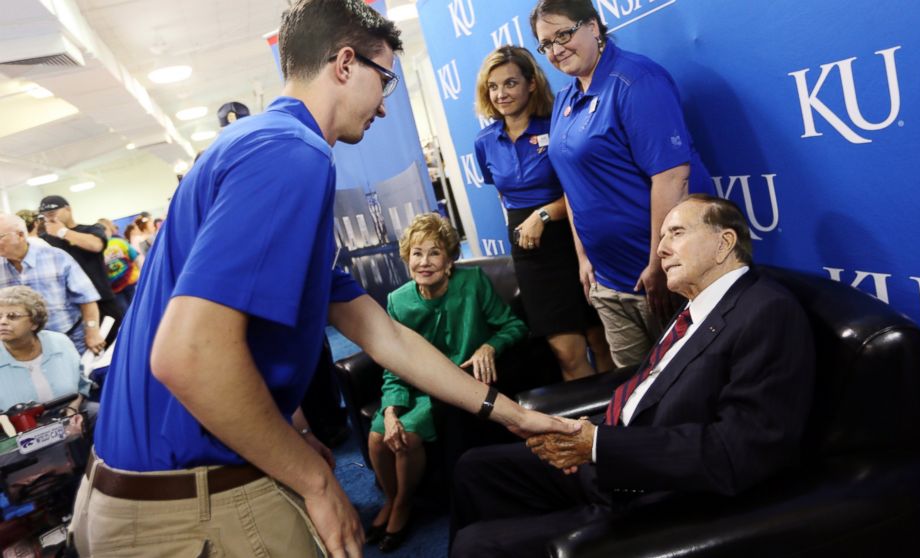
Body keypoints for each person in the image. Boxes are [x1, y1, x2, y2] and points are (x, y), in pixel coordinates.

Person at [69, 2, 574, 558]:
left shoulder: (257, 146)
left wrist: (514, 414)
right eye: (384, 81)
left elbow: (386, 336)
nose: (385, 106)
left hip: (137, 493)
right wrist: (312, 479)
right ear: (345, 63)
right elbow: (187, 354)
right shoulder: (291, 155)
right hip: (187, 504)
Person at [450, 195, 816, 557]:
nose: (660, 249)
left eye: (676, 233)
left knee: (474, 547)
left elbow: (736, 451)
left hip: (654, 490)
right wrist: (583, 432)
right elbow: (653, 389)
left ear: (725, 243)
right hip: (611, 455)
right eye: (661, 237)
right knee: (474, 468)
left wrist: (599, 446)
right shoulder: (698, 304)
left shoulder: (767, 312)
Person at [531, 0, 716, 368]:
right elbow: (572, 183)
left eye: (563, 34)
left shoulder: (636, 80)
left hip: (661, 279)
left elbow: (672, 178)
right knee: (634, 394)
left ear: (594, 27)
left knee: (689, 388)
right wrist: (584, 258)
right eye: (545, 44)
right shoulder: (565, 97)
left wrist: (658, 265)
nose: (555, 50)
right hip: (607, 283)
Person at [366, 213, 527, 551]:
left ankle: (403, 505)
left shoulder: (473, 283)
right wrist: (391, 408)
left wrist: (489, 346)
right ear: (407, 258)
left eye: (434, 253)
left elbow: (513, 325)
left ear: (450, 259)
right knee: (378, 436)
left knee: (407, 436)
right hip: (411, 386)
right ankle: (391, 498)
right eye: (417, 253)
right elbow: (393, 365)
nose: (424, 262)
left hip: (452, 385)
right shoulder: (397, 301)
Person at [474, 45, 612, 381]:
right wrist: (527, 222)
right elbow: (504, 193)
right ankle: (584, 430)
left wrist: (544, 215)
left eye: (510, 83)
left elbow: (582, 189)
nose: (501, 94)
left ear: (531, 84)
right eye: (493, 87)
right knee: (566, 353)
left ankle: (620, 426)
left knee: (602, 341)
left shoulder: (558, 126)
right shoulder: (484, 142)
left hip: (575, 239)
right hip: (530, 254)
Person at [0, 214, 105, 355]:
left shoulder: (57, 257)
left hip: (70, 340)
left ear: (20, 235)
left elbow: (86, 298)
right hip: (22, 349)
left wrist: (92, 332)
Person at [0, 285, 90, 436]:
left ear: (34, 322)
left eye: (13, 316)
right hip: (14, 432)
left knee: (103, 414)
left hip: (68, 413)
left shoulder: (60, 342)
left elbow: (81, 387)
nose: (3, 321)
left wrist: (72, 412)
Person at [38, 196, 123, 344]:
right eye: (45, 215)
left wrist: (62, 232)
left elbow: (95, 245)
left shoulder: (92, 229)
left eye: (53, 213)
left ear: (68, 209)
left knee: (116, 345)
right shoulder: (44, 241)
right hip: (71, 309)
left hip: (102, 301)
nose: (49, 218)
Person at [96, 218, 142, 313]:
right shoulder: (97, 248)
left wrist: (141, 273)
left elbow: (134, 257)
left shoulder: (118, 242)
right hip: (115, 287)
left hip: (129, 281)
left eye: (104, 229)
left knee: (134, 307)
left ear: (109, 230)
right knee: (127, 310)